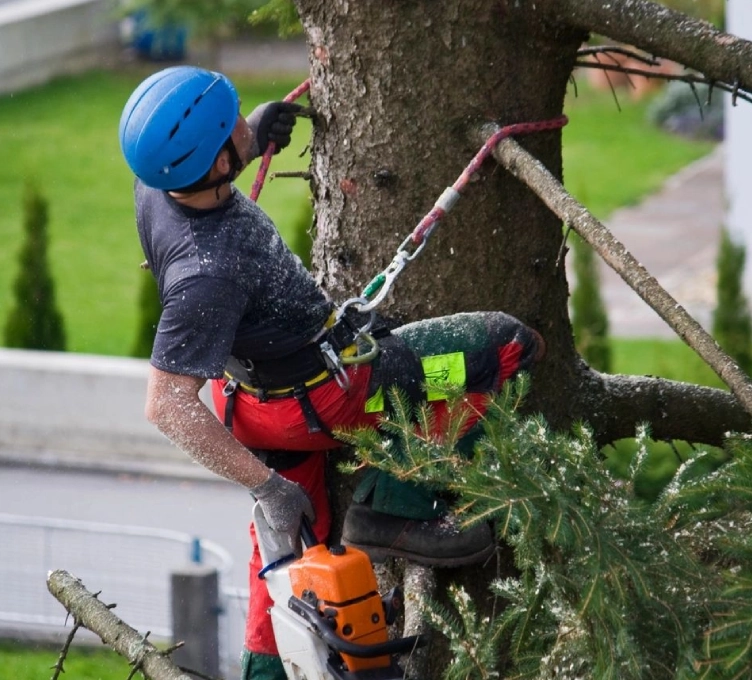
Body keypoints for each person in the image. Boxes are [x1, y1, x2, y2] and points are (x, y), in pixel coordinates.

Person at [119, 65, 546, 680]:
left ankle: (265, 674)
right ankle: (399, 509)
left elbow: (201, 163)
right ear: (213, 166)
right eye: (232, 126)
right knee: (499, 349)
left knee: (288, 566)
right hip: (324, 402)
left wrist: (252, 137)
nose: (244, 122)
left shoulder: (155, 185)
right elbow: (165, 404)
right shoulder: (207, 274)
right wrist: (265, 485)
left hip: (252, 403)